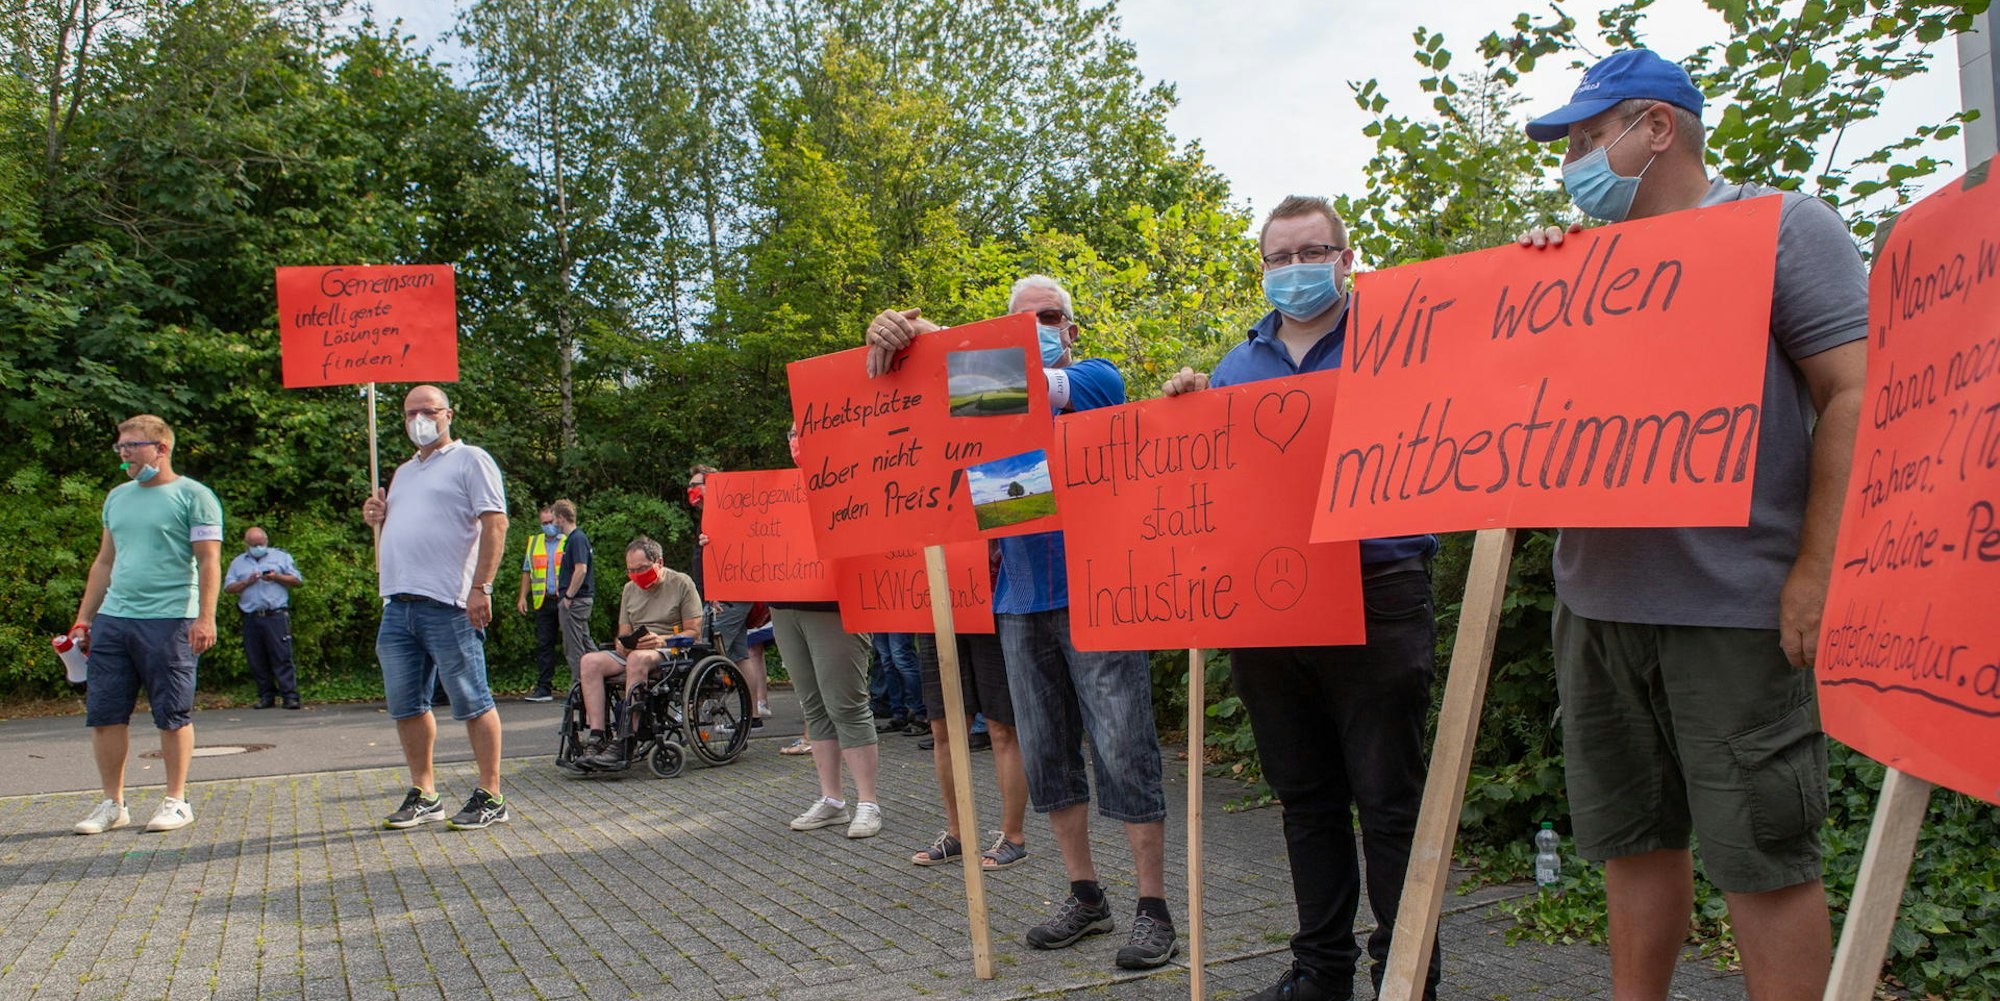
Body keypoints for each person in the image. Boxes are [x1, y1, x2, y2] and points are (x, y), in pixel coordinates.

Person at [1516, 49, 1866, 1001]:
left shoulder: (1782, 227)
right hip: (1597, 606)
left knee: (1764, 856)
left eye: (1590, 138)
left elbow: (1854, 391)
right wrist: (1532, 288)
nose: (1575, 162)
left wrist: (1817, 569)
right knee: (1630, 844)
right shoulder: (1581, 262)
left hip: (1733, 609)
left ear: (1657, 129)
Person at [1161, 196, 1441, 1001]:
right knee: (1305, 798)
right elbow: (1213, 483)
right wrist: (1186, 414)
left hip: (1377, 587)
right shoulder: (1234, 367)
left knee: (1389, 800)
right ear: (1262, 268)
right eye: (1279, 257)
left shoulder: (1400, 342)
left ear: (1345, 259)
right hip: (1267, 599)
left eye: (1311, 252)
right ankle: (1322, 971)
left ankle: (1406, 977)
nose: (1295, 269)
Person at [864, 275, 1176, 969]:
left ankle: (1153, 909)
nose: (1038, 327)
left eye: (1050, 316)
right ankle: (1085, 896)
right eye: (1020, 319)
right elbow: (915, 410)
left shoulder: (1097, 379)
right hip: (1018, 601)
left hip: (1101, 598)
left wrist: (944, 342)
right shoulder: (984, 404)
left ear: (1071, 329)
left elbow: (1022, 382)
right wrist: (897, 342)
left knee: (1125, 751)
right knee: (1046, 754)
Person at [362, 385, 513, 831]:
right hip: (398, 603)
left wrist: (481, 587)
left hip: (449, 603)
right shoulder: (404, 472)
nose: (419, 421)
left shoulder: (471, 460)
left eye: (428, 411)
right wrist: (377, 517)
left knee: (473, 699)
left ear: (448, 414)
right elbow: (410, 525)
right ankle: (425, 793)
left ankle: (491, 794)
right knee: (406, 705)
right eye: (411, 413)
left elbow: (495, 522)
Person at [68, 414, 222, 835]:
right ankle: (113, 804)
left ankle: (177, 801)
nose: (124, 455)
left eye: (132, 446)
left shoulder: (195, 496)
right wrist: (84, 618)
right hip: (114, 619)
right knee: (104, 714)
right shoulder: (117, 497)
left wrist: (205, 617)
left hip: (171, 619)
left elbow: (209, 560)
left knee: (172, 713)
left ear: (161, 448)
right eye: (120, 447)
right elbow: (104, 561)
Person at [773, 425, 884, 840]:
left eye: (802, 433)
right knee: (814, 706)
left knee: (847, 704)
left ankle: (868, 802)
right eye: (790, 434)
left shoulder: (853, 481)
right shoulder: (775, 493)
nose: (795, 442)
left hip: (835, 607)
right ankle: (832, 800)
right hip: (784, 607)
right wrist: (718, 540)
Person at [573, 536, 703, 771]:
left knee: (636, 659)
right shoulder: (629, 589)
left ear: (659, 562)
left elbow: (694, 632)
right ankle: (597, 736)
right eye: (631, 570)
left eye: (641, 569)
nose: (635, 575)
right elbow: (624, 632)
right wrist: (621, 643)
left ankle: (626, 738)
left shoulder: (681, 583)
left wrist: (661, 640)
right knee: (589, 661)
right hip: (635, 650)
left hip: (669, 649)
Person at [908, 631, 1030, 873]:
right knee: (944, 729)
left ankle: (1012, 836)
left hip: (992, 616)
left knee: (1003, 727)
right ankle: (957, 834)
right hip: (936, 623)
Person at [687, 465, 769, 728]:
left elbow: (733, 555)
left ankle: (697, 710)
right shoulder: (711, 516)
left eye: (696, 484)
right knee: (740, 655)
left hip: (728, 598)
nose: (691, 490)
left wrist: (716, 593)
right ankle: (752, 716)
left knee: (708, 650)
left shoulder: (727, 515)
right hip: (724, 596)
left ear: (712, 486)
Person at [223, 526, 303, 710]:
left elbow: (297, 580)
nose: (258, 547)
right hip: (251, 616)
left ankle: (290, 696)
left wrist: (276, 577)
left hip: (275, 615)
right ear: (246, 545)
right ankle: (266, 696)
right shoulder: (238, 563)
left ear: (266, 541)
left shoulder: (281, 557)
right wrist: (247, 582)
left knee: (282, 656)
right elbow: (228, 588)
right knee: (256, 658)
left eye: (260, 543)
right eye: (254, 544)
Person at [546, 499, 597, 691]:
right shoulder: (575, 539)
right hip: (578, 600)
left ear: (561, 518)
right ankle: (601, 676)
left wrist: (568, 596)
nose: (553, 524)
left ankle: (579, 688)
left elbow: (581, 569)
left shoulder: (576, 539)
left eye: (554, 519)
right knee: (585, 641)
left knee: (573, 647)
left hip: (575, 601)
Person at [515, 506, 565, 702]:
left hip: (565, 599)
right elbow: (527, 572)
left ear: (558, 520)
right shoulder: (534, 542)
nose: (548, 526)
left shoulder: (568, 540)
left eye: (550, 522)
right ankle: (544, 688)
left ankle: (580, 684)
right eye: (544, 523)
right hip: (543, 600)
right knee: (545, 645)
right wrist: (522, 597)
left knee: (572, 643)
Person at [870, 632, 924, 734]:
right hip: (877, 621)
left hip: (898, 621)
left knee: (901, 657)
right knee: (887, 660)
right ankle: (899, 714)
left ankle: (921, 714)